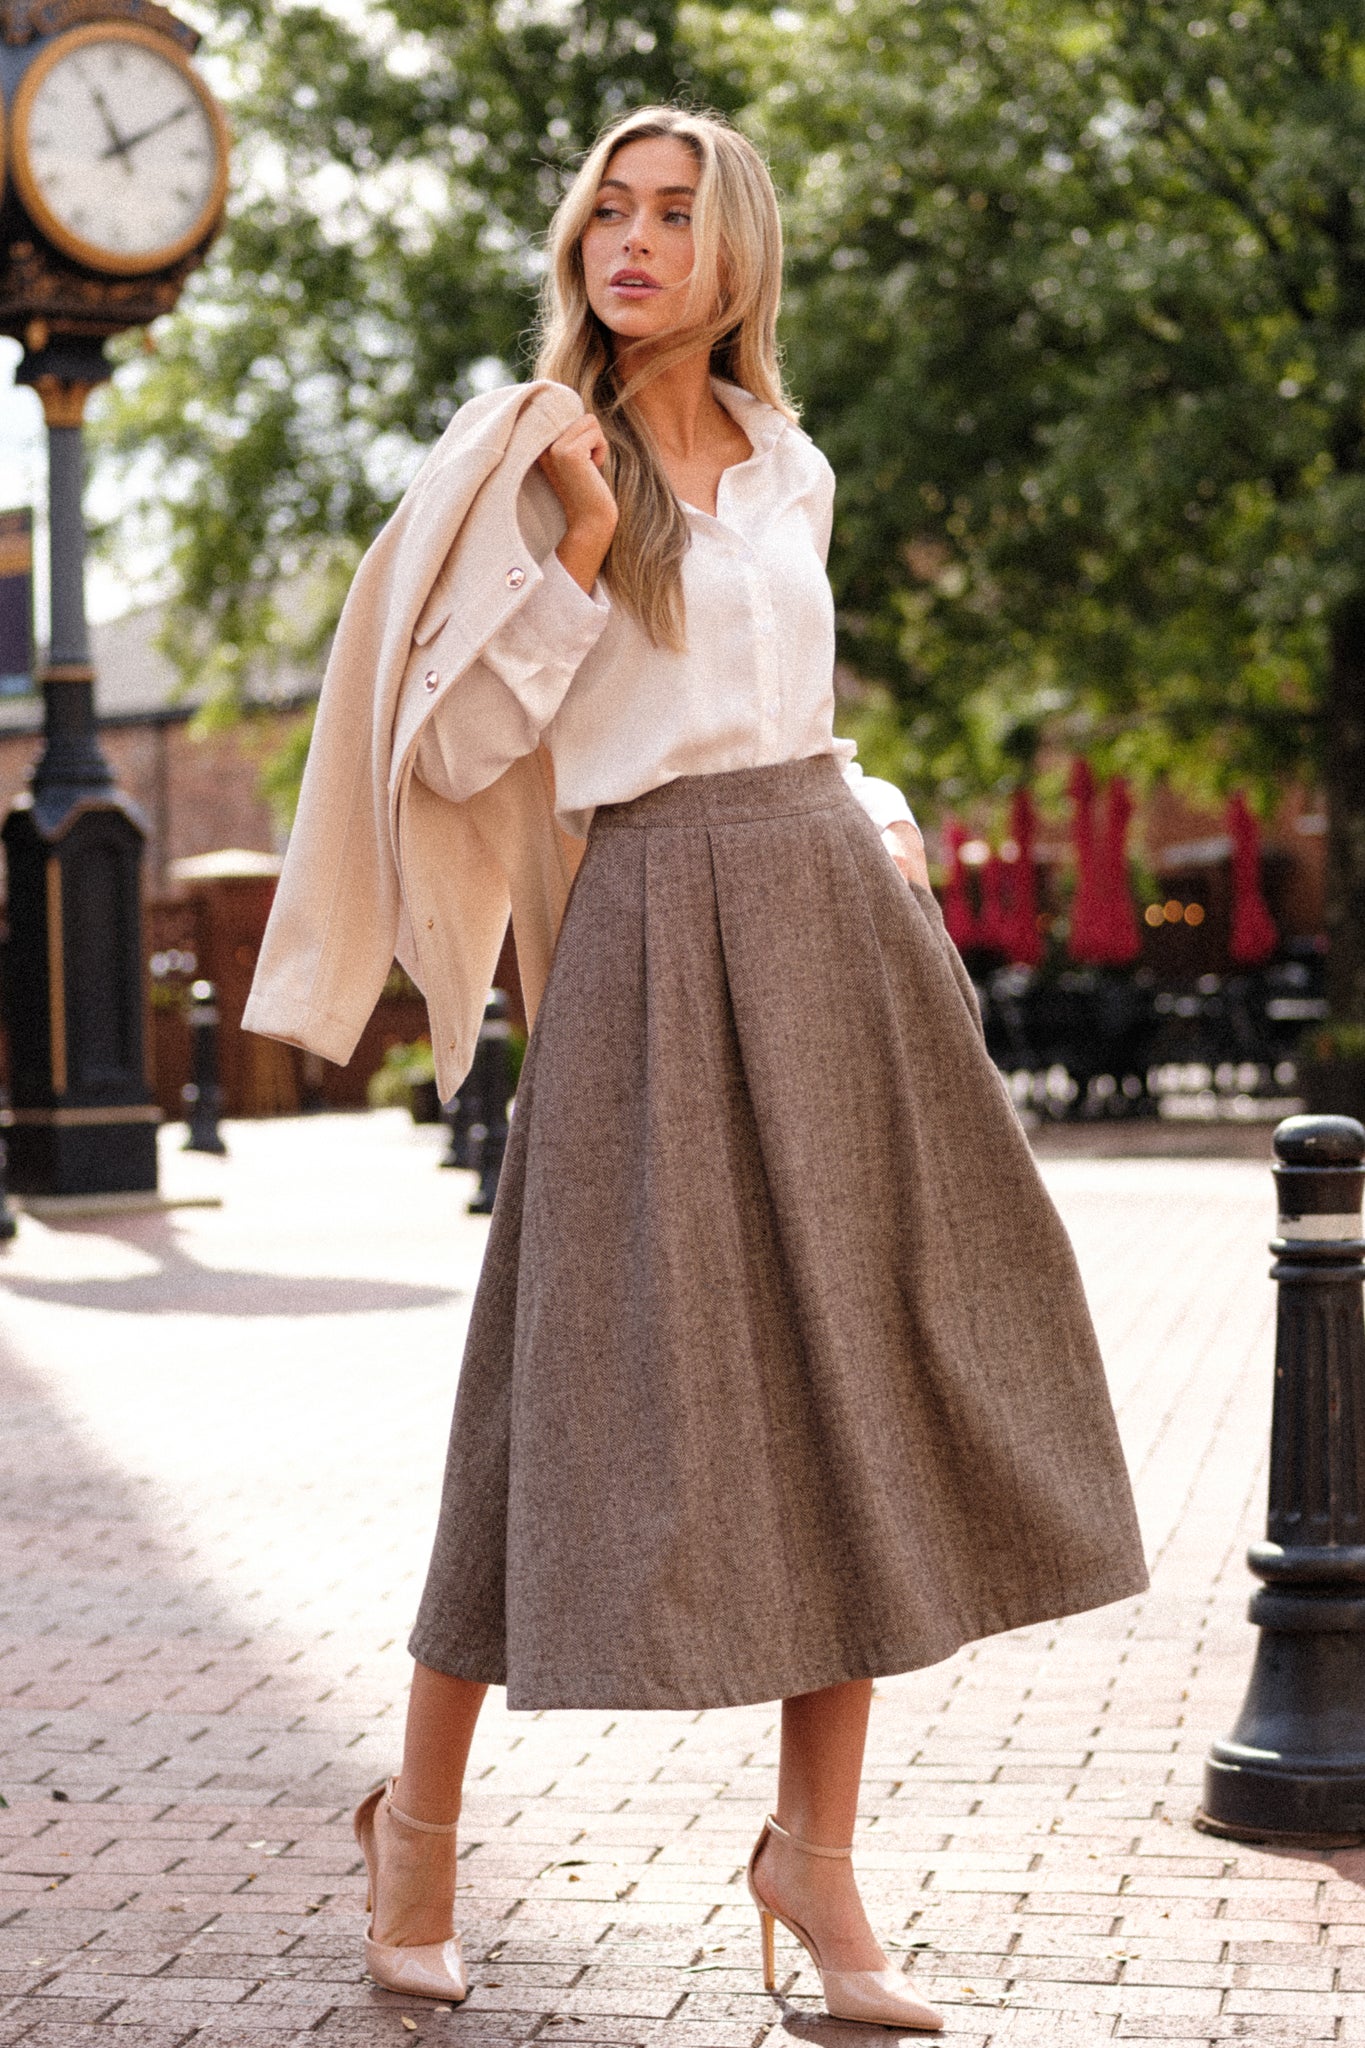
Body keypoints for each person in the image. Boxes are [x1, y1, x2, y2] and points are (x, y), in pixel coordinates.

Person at [247, 104, 1148, 2034]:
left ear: (733, 253)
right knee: (554, 1401)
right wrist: (579, 548)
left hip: (830, 911)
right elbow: (464, 741)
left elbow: (786, 707)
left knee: (870, 1382)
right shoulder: (526, 455)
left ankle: (813, 1864)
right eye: (608, 213)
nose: (631, 243)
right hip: (650, 936)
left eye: (673, 216)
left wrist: (878, 817)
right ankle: (417, 1823)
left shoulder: (793, 464)